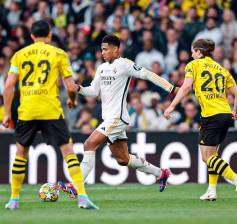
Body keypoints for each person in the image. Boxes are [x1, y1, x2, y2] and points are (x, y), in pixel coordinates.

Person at [61, 34, 178, 197]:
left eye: (105, 49)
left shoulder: (125, 64)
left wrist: (171, 88)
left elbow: (148, 75)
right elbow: (94, 92)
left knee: (89, 145)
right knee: (123, 159)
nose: (102, 52)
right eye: (101, 49)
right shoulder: (101, 68)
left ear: (116, 49)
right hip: (108, 119)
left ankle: (76, 186)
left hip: (117, 117)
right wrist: (78, 88)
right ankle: (161, 173)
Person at [3, 20, 98, 210]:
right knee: (68, 152)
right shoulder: (59, 54)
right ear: (49, 35)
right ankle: (82, 197)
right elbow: (71, 87)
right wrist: (72, 100)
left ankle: (14, 200)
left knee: (21, 153)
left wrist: (7, 114)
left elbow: (8, 86)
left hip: (27, 110)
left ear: (31, 36)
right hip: (50, 109)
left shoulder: (19, 55)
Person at [164, 39, 237, 201]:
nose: (191, 54)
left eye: (192, 51)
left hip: (211, 115)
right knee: (213, 154)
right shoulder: (221, 69)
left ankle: (235, 178)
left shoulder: (193, 65)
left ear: (198, 51)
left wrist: (172, 106)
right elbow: (236, 92)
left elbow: (186, 87)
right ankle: (212, 190)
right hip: (225, 114)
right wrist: (234, 110)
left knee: (206, 157)